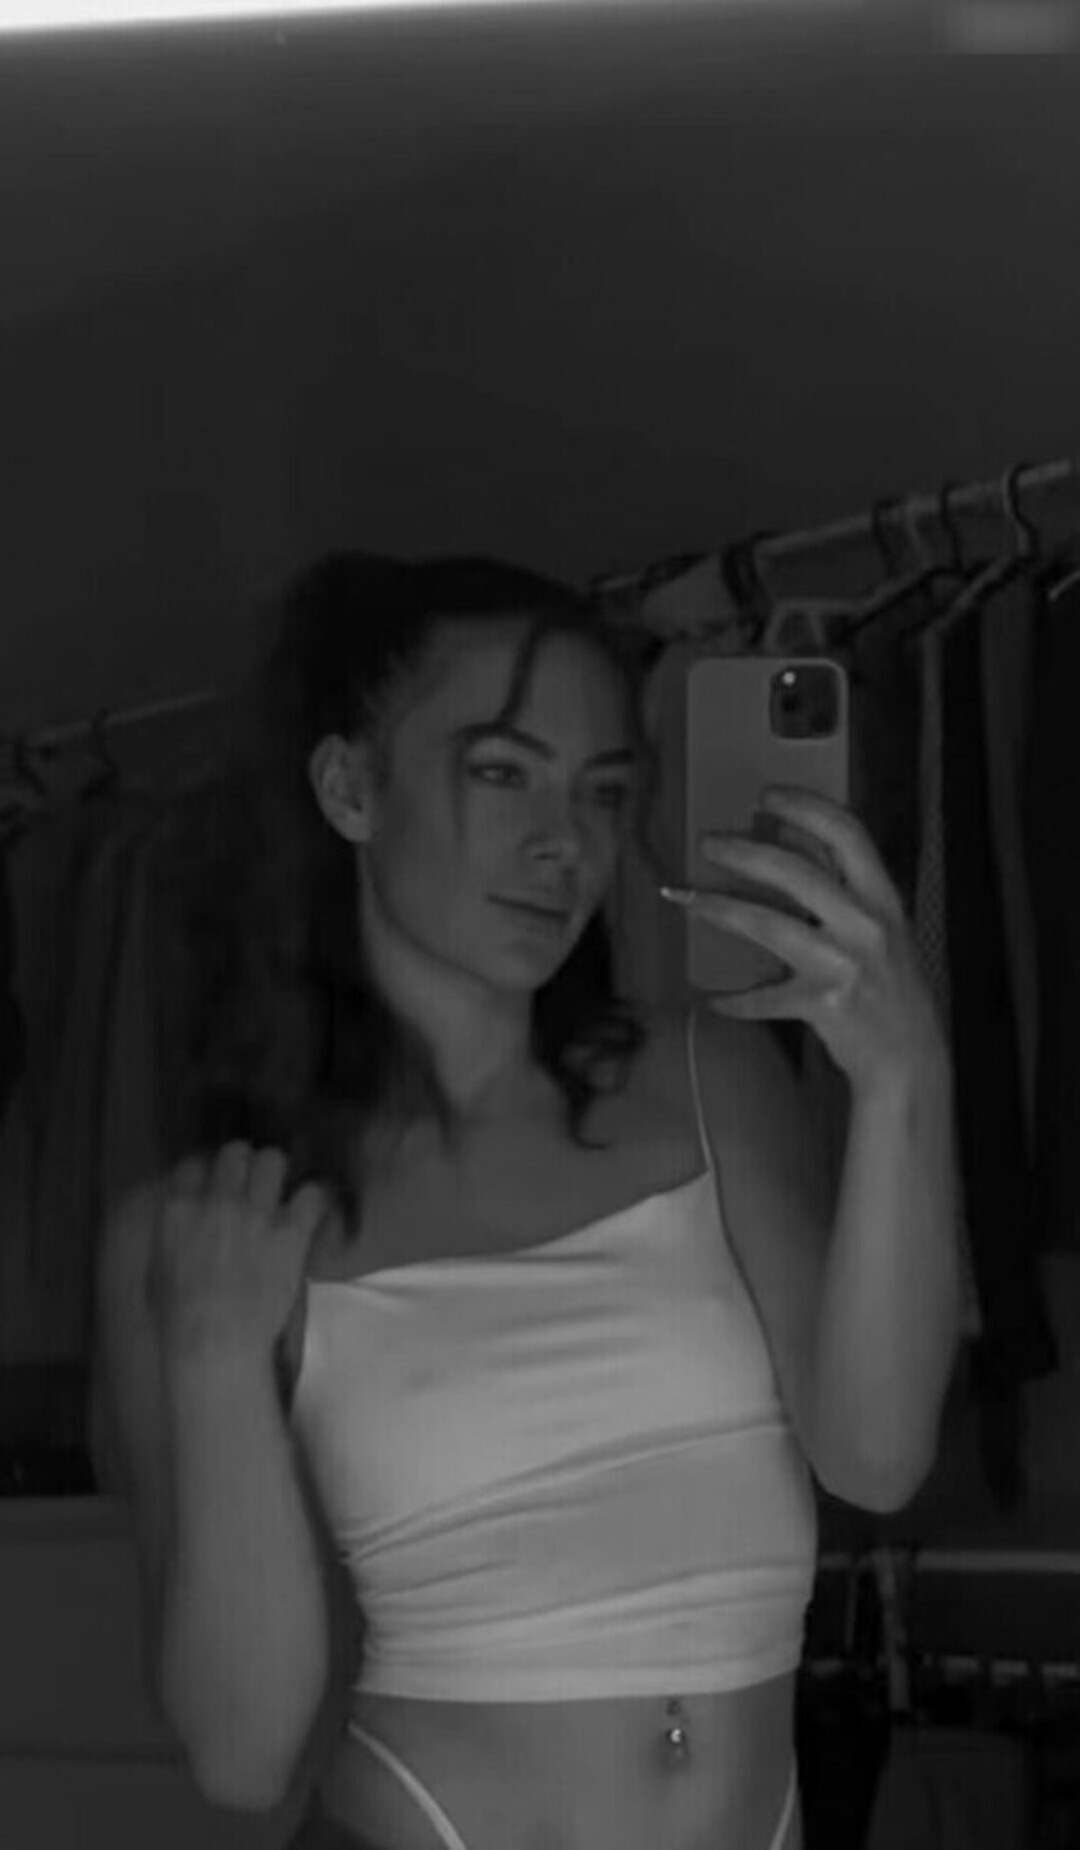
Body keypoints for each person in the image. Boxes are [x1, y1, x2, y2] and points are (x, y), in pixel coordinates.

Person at [93, 552, 959, 1850]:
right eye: (504, 772)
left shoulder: (710, 1079)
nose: (565, 841)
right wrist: (215, 1360)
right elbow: (242, 1755)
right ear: (349, 788)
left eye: (601, 790)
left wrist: (903, 1078)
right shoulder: (211, 1225)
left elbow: (876, 1456)